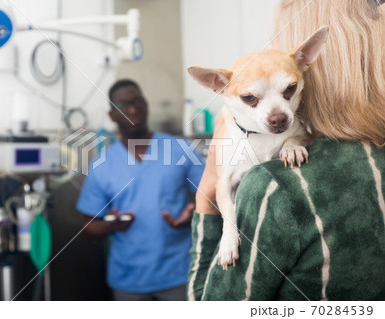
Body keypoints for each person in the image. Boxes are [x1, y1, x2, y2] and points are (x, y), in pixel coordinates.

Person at [188, 0, 384, 301]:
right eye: (252, 99)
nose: (276, 115)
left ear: (308, 61)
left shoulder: (274, 187)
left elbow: (210, 303)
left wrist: (207, 184)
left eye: (288, 89)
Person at [76, 79, 205, 301]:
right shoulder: (102, 164)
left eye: (137, 102)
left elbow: (211, 195)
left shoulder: (179, 148)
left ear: (146, 105)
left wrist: (194, 216)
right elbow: (89, 227)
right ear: (111, 115)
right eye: (122, 105)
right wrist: (111, 224)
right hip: (128, 279)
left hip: (179, 273)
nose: (132, 110)